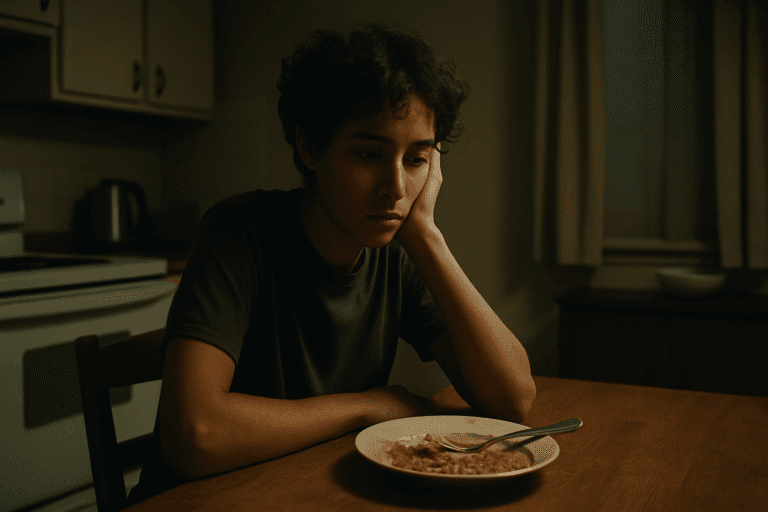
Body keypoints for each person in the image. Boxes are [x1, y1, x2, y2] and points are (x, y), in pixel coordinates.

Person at [128, 22, 536, 504]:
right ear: (309, 147)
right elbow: (194, 435)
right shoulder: (238, 232)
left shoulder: (396, 252)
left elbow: (514, 400)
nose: (396, 187)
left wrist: (426, 235)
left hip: (306, 494)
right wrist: (366, 407)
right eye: (369, 153)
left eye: (416, 159)